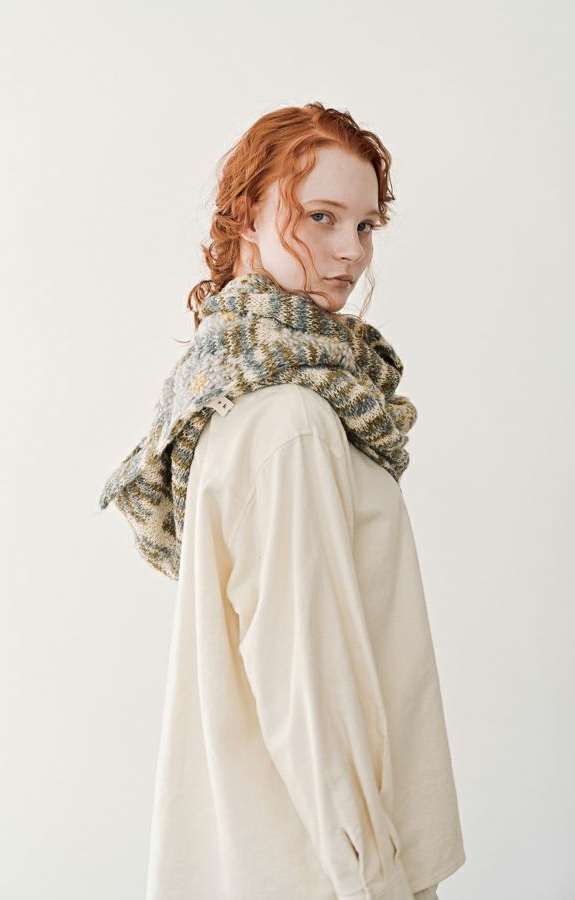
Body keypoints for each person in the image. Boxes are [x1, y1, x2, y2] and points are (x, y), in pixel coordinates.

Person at [99, 102, 467, 900]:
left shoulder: (240, 395)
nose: (350, 251)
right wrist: (370, 878)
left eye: (365, 225)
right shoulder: (291, 421)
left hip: (283, 852)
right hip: (329, 867)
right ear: (246, 218)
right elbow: (308, 685)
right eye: (319, 216)